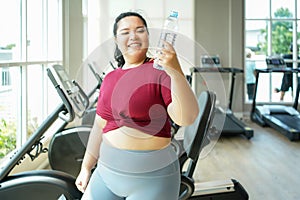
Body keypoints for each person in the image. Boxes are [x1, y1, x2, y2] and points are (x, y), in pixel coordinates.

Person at [75, 11, 199, 200]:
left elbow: (186, 117)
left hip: (152, 179)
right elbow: (99, 126)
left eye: (140, 30)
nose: (133, 36)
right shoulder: (110, 78)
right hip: (106, 174)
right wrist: (85, 167)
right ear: (116, 40)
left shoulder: (160, 71)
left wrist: (175, 71)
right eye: (125, 32)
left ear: (148, 36)